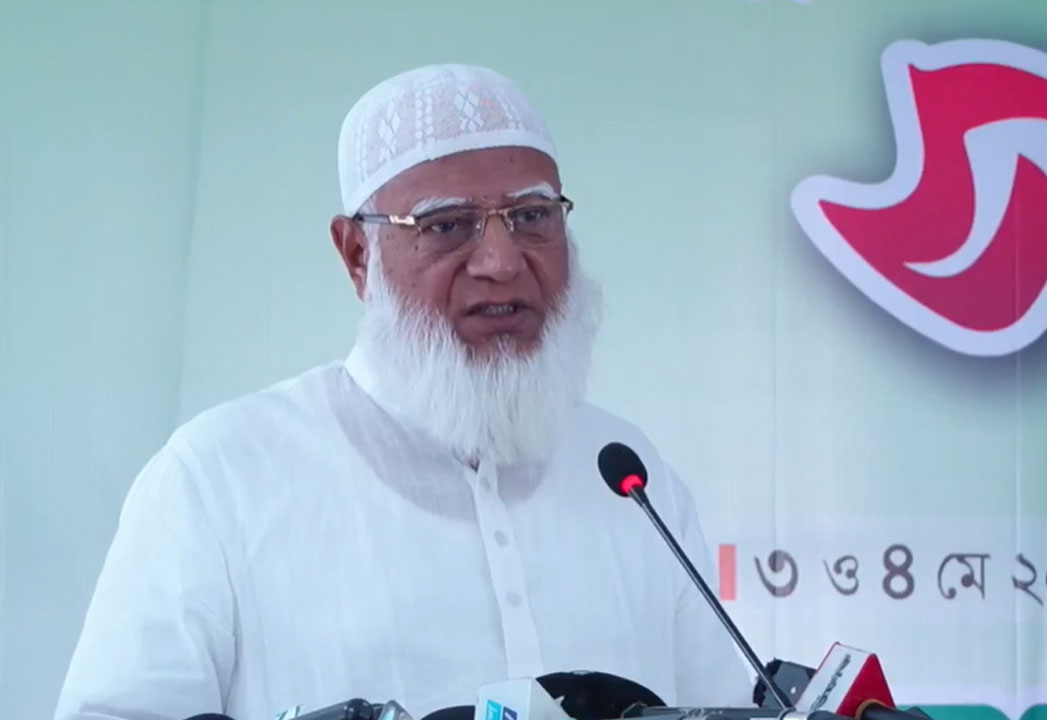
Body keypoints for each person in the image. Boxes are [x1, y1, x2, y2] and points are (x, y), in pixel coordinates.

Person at [54, 64, 752, 720]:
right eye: (446, 225)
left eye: (533, 216)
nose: (501, 261)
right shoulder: (219, 478)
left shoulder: (629, 476)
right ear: (357, 256)